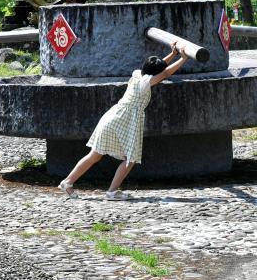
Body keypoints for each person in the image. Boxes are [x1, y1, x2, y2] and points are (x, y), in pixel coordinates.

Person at [57, 42, 190, 201]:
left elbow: (159, 69)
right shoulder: (146, 82)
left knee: (95, 155)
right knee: (130, 158)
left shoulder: (137, 74)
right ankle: (112, 192)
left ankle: (68, 182)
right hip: (125, 119)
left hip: (113, 116)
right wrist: (183, 58)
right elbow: (165, 73)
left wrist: (173, 53)